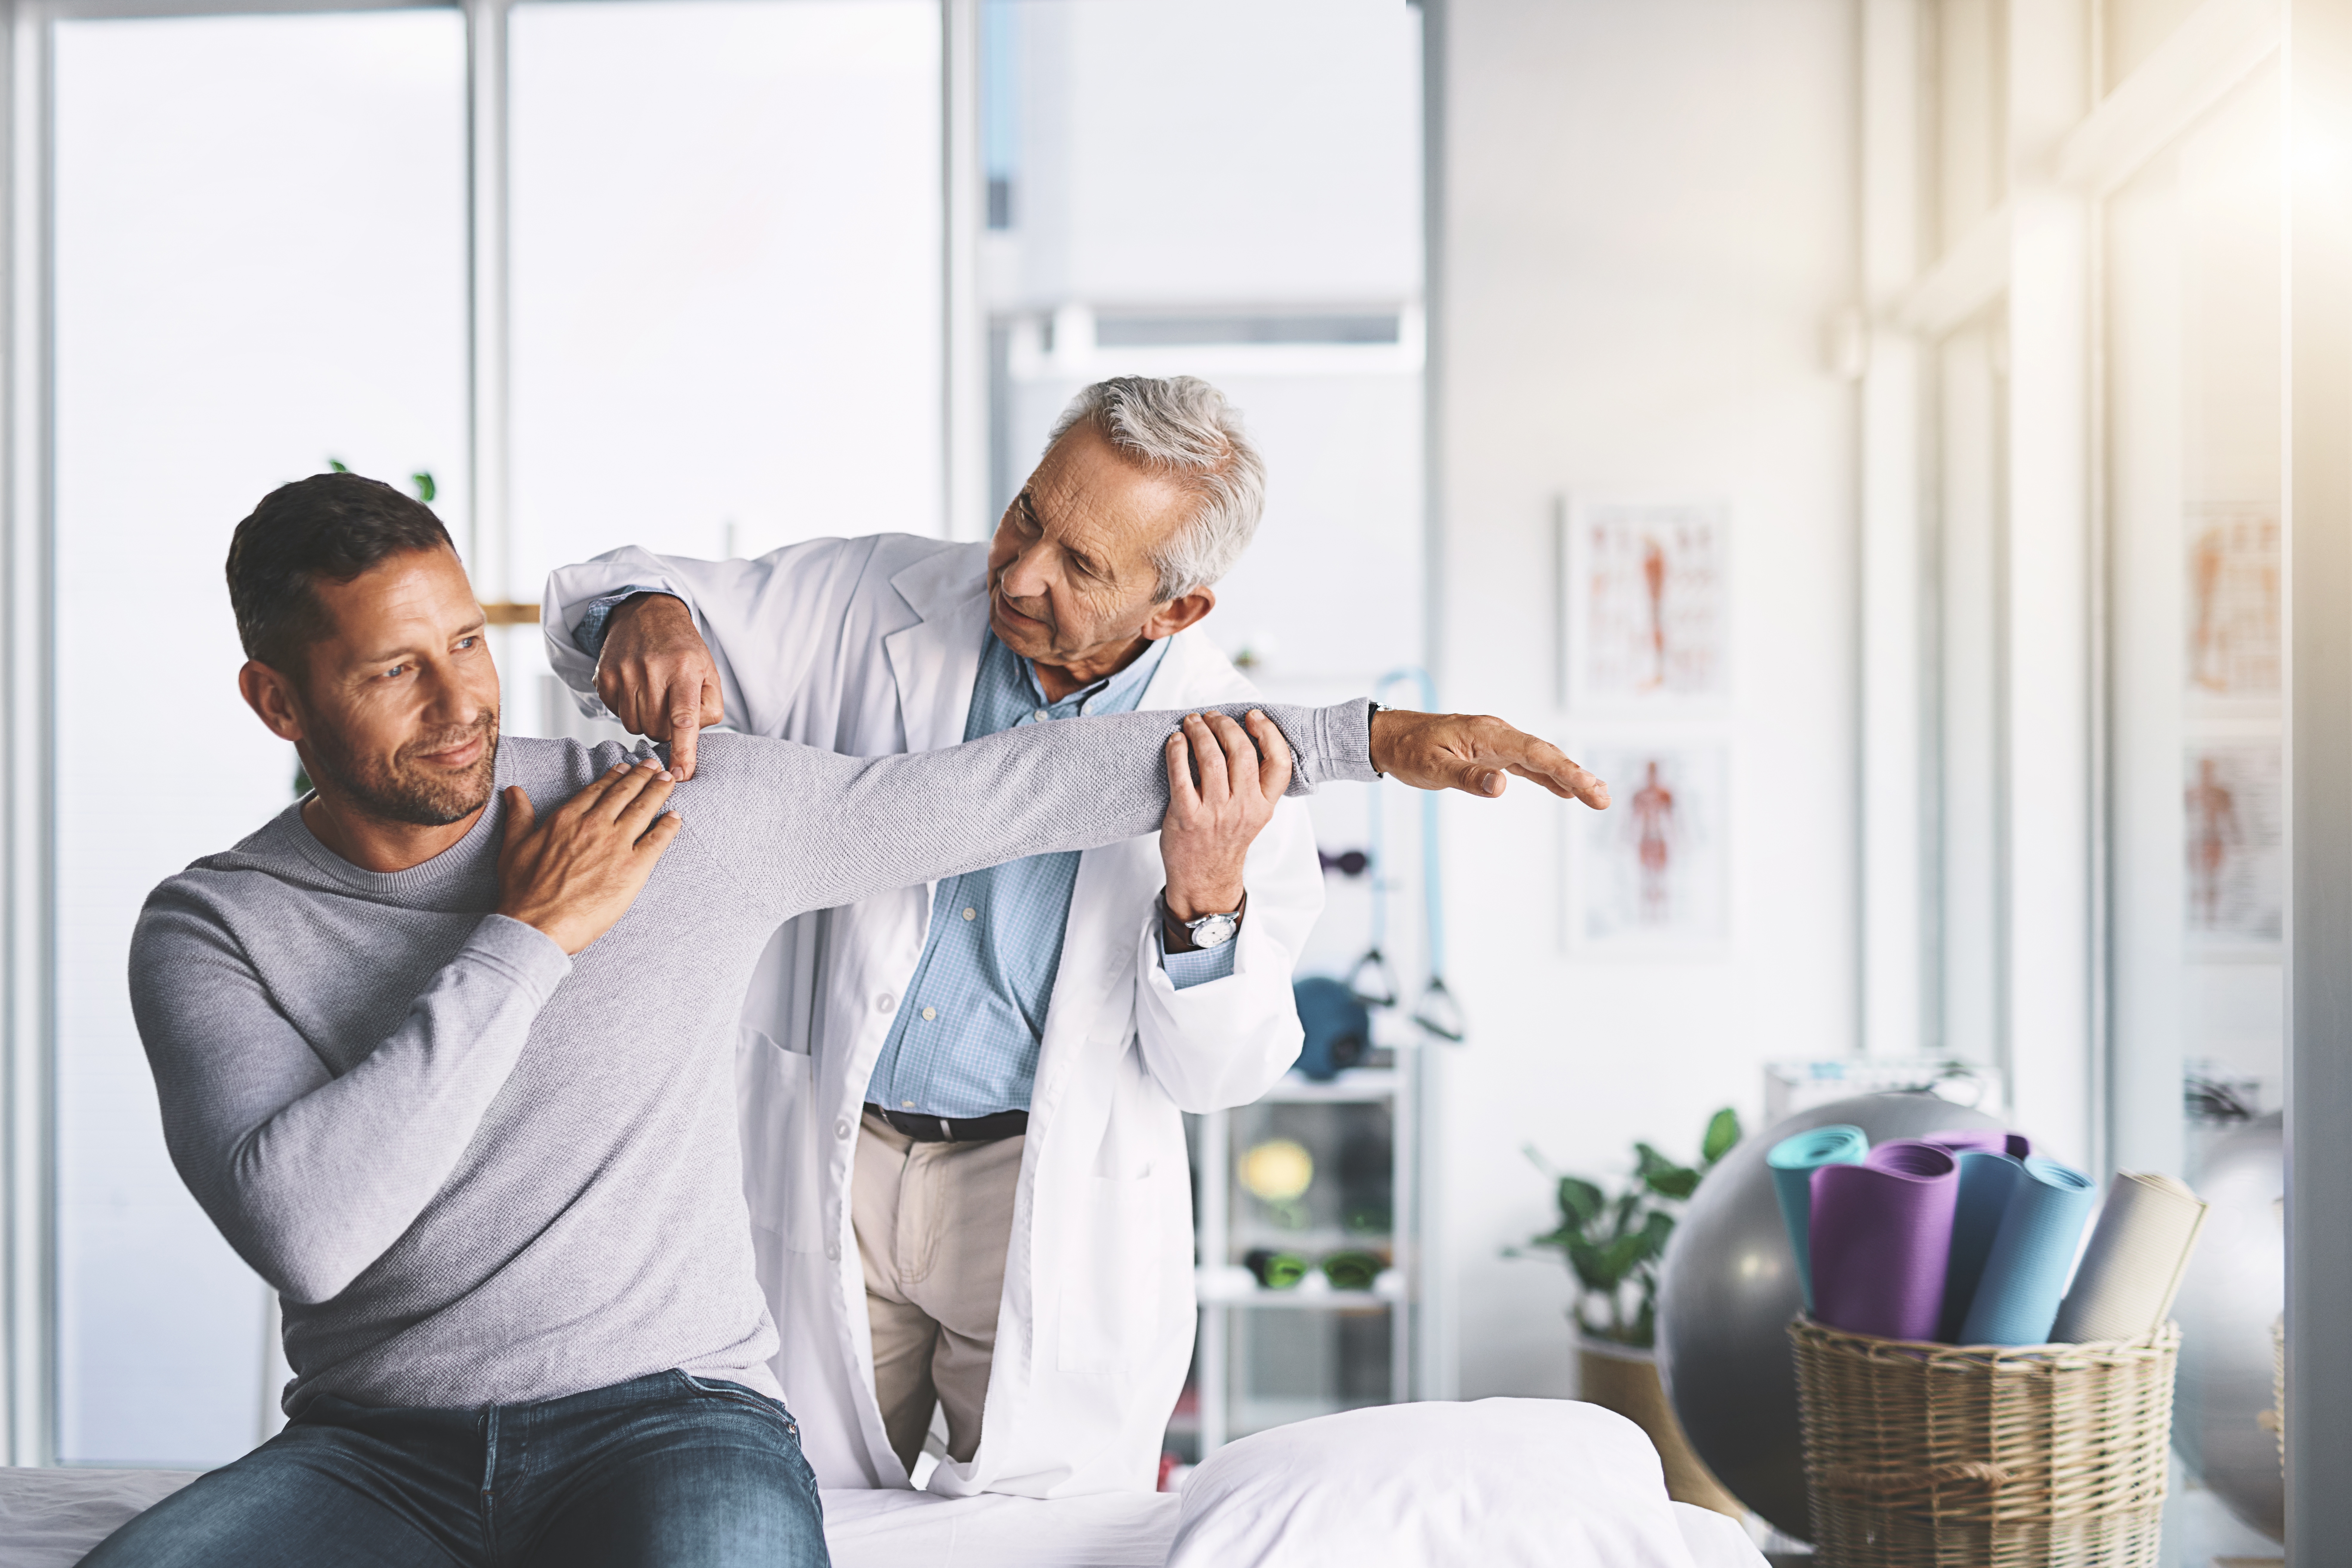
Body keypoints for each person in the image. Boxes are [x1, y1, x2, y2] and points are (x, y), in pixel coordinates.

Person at [93, 472, 1604, 1568]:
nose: (463, 706)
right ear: (277, 704)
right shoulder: (214, 928)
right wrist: (525, 937)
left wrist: (1371, 740)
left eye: (468, 648)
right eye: (394, 672)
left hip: (664, 1419)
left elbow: (1000, 788)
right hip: (378, 1453)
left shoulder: (666, 804)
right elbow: (311, 1228)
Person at [542, 376, 1614, 1496]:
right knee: (787, 1498)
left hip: (1038, 1196)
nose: (1016, 573)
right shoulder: (875, 598)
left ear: (1175, 610)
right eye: (1026, 516)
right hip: (831, 1157)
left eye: (1081, 564)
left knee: (1039, 1536)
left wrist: (1205, 898)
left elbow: (1223, 1073)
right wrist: (644, 614)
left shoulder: (1233, 754)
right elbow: (610, 592)